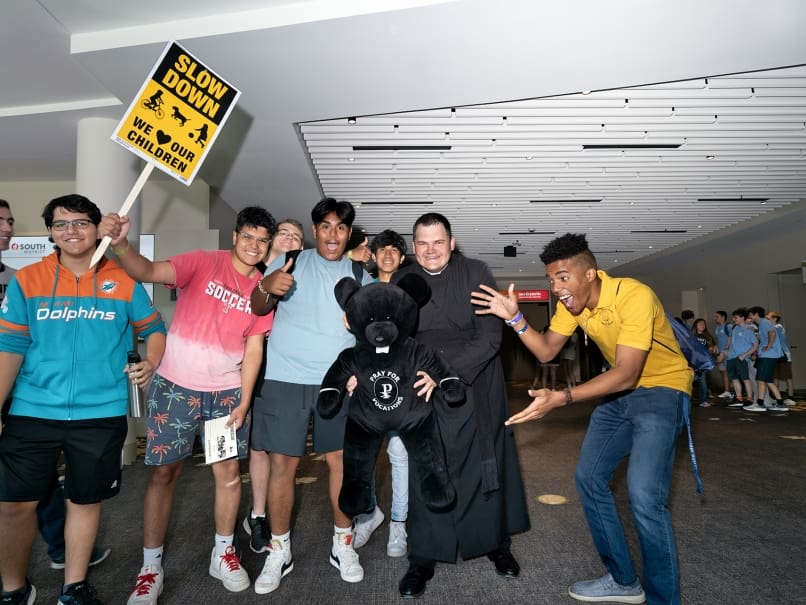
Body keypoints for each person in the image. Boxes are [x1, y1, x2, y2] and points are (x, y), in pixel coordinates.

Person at [472, 232, 692, 605]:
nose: (557, 288)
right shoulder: (571, 305)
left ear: (590, 274)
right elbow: (545, 351)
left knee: (643, 494)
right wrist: (515, 320)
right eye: (551, 280)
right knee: (589, 478)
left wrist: (562, 397)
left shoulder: (633, 295)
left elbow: (627, 372)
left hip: (663, 390)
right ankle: (623, 581)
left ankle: (663, 599)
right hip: (620, 396)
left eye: (562, 277)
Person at [99, 206, 276, 603]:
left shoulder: (263, 291)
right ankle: (150, 566)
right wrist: (122, 244)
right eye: (247, 236)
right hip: (177, 388)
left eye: (262, 241)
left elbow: (253, 349)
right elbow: (146, 271)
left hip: (225, 395)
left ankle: (223, 551)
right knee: (164, 475)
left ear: (267, 248)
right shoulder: (202, 262)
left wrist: (245, 401)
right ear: (234, 237)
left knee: (228, 475)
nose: (253, 246)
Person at [0, 194, 166, 605]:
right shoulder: (28, 280)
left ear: (97, 229)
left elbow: (154, 327)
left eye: (80, 222)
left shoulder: (123, 280)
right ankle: (13, 589)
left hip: (101, 412)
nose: (71, 231)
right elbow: (10, 346)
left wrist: (152, 360)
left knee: (84, 500)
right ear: (50, 232)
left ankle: (73, 587)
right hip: (32, 409)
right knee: (14, 505)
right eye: (61, 224)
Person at [392, 212, 529, 599]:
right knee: (427, 467)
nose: (431, 250)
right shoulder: (404, 279)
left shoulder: (476, 271)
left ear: (452, 243)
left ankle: (495, 544)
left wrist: (444, 371)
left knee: (484, 462)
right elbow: (396, 337)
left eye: (439, 242)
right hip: (422, 383)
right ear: (413, 246)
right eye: (423, 242)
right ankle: (422, 557)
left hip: (476, 380)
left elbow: (489, 338)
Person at [247, 198, 373, 595]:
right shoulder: (291, 262)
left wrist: (360, 371)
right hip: (286, 379)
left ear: (348, 233)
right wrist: (268, 287)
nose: (333, 234)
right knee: (284, 465)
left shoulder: (360, 273)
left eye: (340, 228)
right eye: (325, 226)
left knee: (341, 463)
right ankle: (279, 550)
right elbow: (258, 305)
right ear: (314, 230)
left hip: (338, 381)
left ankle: (343, 544)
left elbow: (371, 332)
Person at [242, 219, 304, 555]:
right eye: (284, 233)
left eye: (296, 236)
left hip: (280, 369)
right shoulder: (251, 272)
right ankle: (258, 513)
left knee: (267, 444)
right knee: (256, 445)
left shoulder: (299, 276)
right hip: (245, 362)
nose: (290, 238)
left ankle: (259, 515)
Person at [352, 229, 410, 557]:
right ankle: (370, 513)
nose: (387, 254)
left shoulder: (412, 290)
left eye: (394, 250)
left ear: (402, 257)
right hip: (367, 384)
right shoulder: (362, 289)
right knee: (363, 456)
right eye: (381, 249)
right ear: (373, 256)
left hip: (401, 384)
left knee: (399, 455)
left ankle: (399, 525)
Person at [744, 306, 788, 412]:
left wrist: (768, 346)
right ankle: (781, 404)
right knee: (767, 380)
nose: (749, 317)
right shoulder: (762, 324)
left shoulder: (764, 322)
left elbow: (772, 333)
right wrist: (754, 332)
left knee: (760, 379)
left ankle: (760, 404)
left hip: (768, 355)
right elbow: (764, 336)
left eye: (751, 314)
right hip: (767, 355)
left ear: (756, 314)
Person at [723, 307, 758, 408]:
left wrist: (744, 355)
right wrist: (726, 349)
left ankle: (749, 399)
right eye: (733, 317)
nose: (734, 319)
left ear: (743, 318)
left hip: (741, 358)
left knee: (745, 379)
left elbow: (755, 345)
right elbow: (730, 339)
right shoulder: (734, 328)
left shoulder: (749, 329)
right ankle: (739, 398)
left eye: (736, 317)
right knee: (734, 378)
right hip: (731, 358)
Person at [767, 311, 795, 406]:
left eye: (769, 318)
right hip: (774, 356)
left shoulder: (778, 327)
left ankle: (791, 397)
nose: (767, 319)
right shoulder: (772, 328)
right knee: (775, 377)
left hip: (784, 355)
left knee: (788, 377)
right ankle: (776, 397)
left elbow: (772, 335)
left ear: (775, 319)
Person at [691, 318, 717, 407]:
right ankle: (687, 399)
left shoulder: (708, 337)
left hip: (702, 363)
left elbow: (711, 349)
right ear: (696, 325)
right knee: (689, 380)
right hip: (692, 362)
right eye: (700, 324)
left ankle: (703, 400)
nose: (702, 325)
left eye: (703, 324)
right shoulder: (691, 335)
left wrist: (707, 357)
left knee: (703, 381)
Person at [713, 311, 733, 399]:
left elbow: (732, 338)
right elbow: (719, 340)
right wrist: (717, 347)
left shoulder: (728, 326)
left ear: (723, 317)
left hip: (728, 354)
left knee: (730, 374)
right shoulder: (717, 328)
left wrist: (726, 350)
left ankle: (732, 391)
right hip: (720, 354)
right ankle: (727, 391)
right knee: (723, 372)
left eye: (717, 316)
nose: (715, 318)